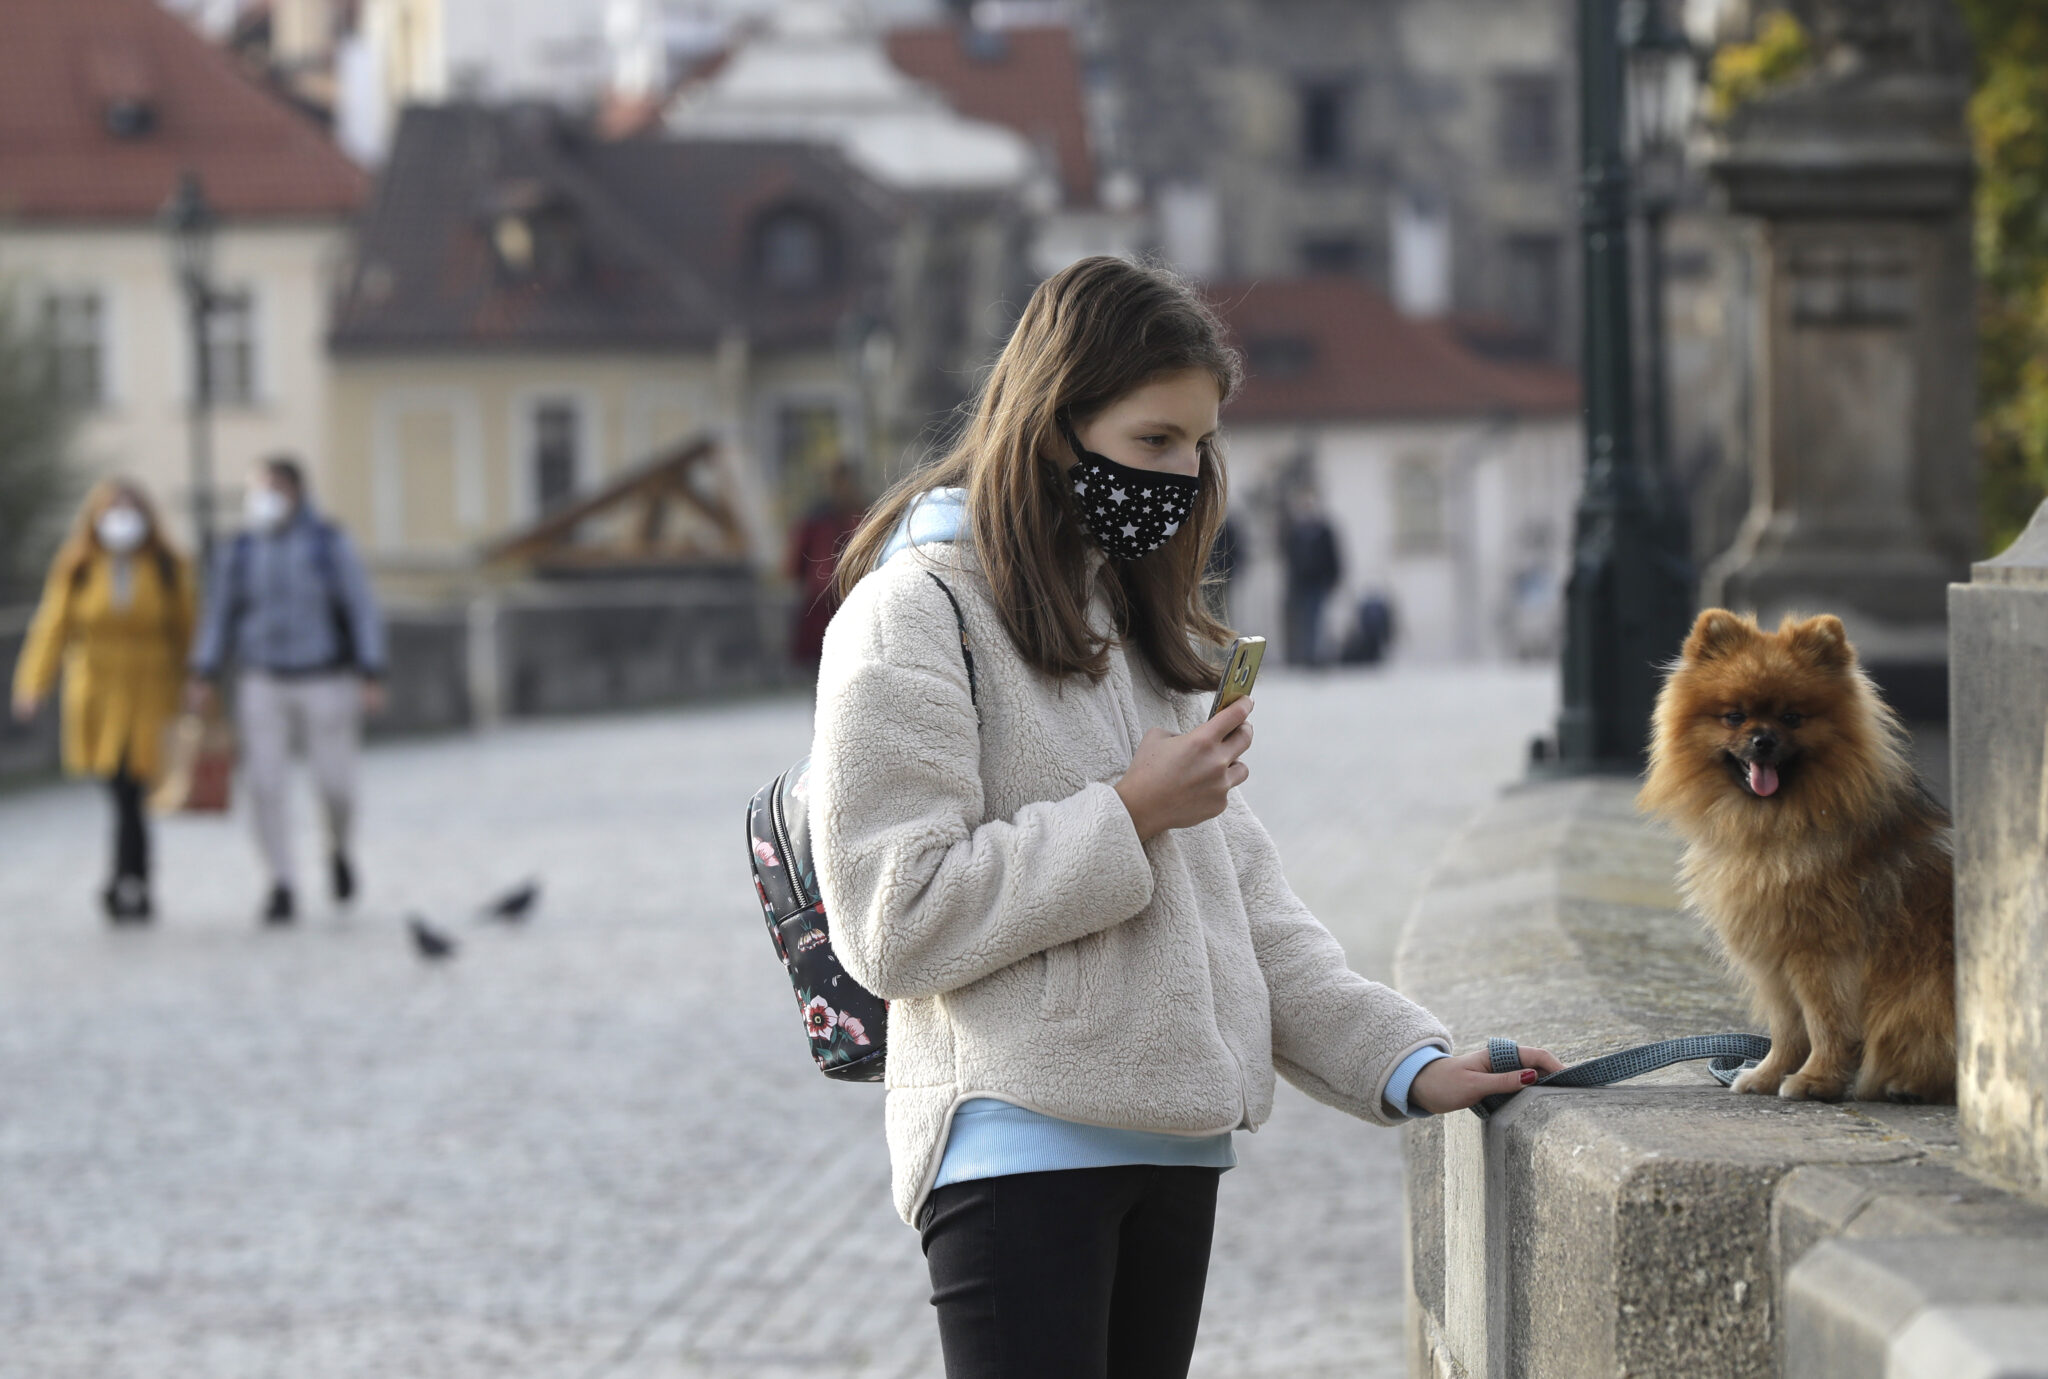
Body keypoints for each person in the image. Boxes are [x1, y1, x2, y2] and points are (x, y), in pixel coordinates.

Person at [809, 257, 1559, 1378]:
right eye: (1153, 438)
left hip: (1175, 1141)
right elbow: (891, 917)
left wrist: (1405, 1060)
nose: (1184, 470)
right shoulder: (913, 613)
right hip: (1015, 1142)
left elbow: (1244, 909)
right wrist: (1127, 812)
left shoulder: (1129, 618)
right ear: (1053, 426)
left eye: (1199, 444)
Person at [187, 456, 386, 925]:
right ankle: (282, 881)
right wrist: (203, 671)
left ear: (298, 492)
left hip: (325, 676)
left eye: (275, 488)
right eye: (259, 488)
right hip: (262, 678)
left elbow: (361, 607)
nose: (266, 498)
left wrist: (372, 670)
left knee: (337, 784)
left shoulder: (328, 542)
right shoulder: (239, 550)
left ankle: (338, 849)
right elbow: (218, 613)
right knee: (265, 784)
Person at [11, 480, 195, 923]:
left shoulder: (168, 565)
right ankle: (132, 879)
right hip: (96, 689)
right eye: (114, 510)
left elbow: (188, 627)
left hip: (151, 687)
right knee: (117, 789)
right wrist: (33, 682)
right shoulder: (78, 566)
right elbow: (52, 625)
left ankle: (126, 880)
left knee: (135, 789)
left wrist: (196, 679)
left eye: (131, 510)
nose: (122, 521)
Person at [786, 461, 868, 671]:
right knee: (821, 665)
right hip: (822, 601)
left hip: (856, 597)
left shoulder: (864, 514)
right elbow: (796, 563)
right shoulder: (817, 519)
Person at [1280, 487, 1342, 666]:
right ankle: (1305, 655)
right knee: (1304, 620)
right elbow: (1289, 557)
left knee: (1316, 618)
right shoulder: (1295, 531)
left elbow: (1333, 556)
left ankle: (1315, 656)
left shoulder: (1324, 530)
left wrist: (1332, 579)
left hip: (1318, 582)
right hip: (1301, 583)